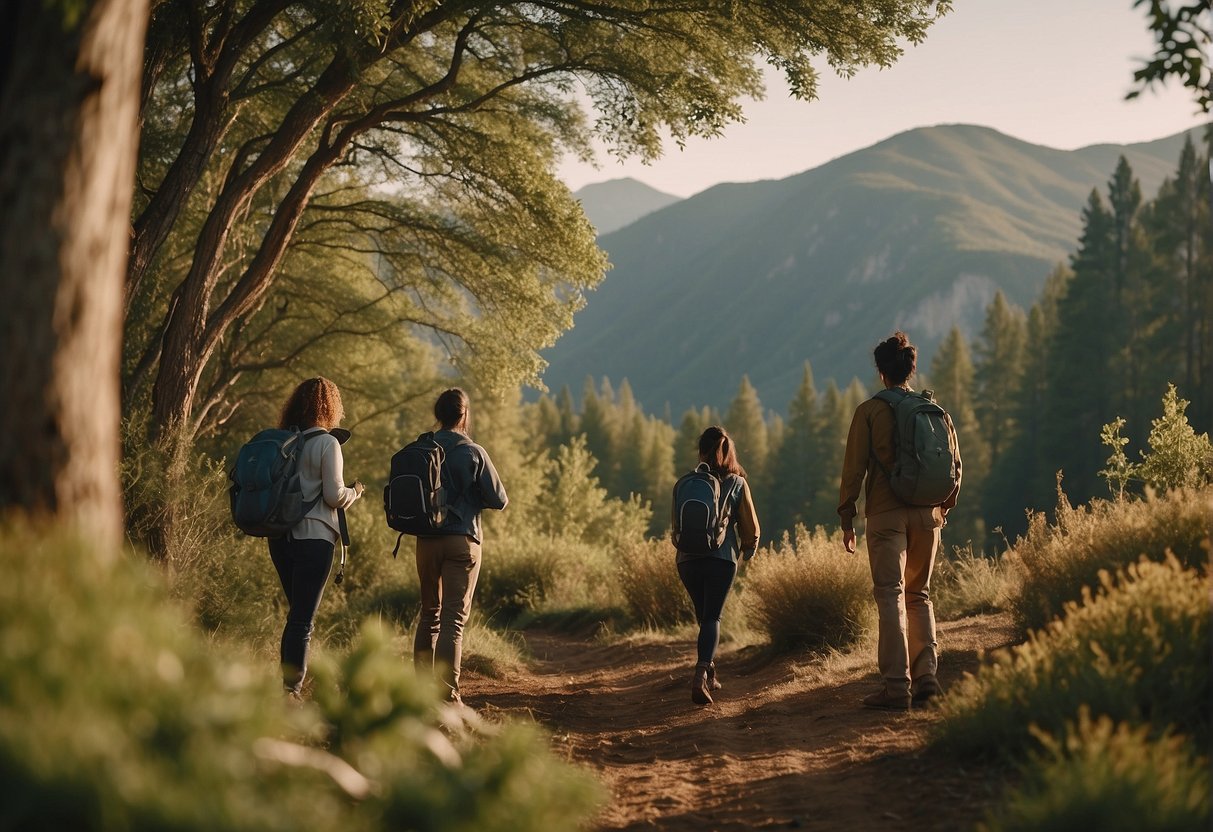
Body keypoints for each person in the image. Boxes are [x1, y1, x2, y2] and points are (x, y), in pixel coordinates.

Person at [837, 332, 961, 711]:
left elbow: (853, 470)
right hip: (928, 513)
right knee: (919, 595)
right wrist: (944, 506)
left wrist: (846, 517)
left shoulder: (870, 411)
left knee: (890, 596)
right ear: (910, 370)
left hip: (886, 514)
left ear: (881, 372)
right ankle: (927, 678)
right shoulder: (932, 410)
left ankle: (895, 687)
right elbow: (956, 465)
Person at [412, 388, 508, 704]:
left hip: (425, 540)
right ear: (464, 415)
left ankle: (420, 692)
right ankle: (447, 694)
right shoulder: (473, 452)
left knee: (429, 614)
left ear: (438, 414)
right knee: (453, 617)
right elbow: (499, 499)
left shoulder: (422, 448)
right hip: (461, 540)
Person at [270, 376, 364, 697]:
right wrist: (356, 492)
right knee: (302, 621)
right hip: (315, 538)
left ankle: (288, 686)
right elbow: (334, 495)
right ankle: (291, 691)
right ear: (331, 407)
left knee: (296, 615)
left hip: (280, 538)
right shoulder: (328, 443)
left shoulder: (284, 442)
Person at [675, 426, 761, 706]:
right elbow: (751, 530)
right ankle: (700, 676)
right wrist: (749, 550)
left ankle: (711, 673)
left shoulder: (688, 482)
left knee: (703, 617)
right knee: (712, 618)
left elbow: (677, 524)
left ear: (701, 452)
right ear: (729, 453)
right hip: (721, 559)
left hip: (687, 559)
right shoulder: (737, 483)